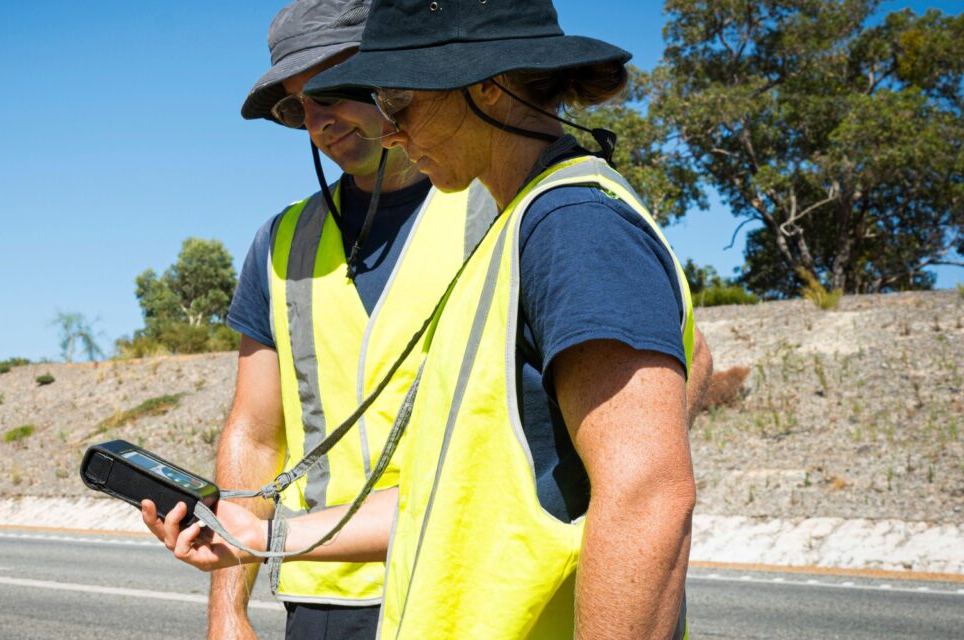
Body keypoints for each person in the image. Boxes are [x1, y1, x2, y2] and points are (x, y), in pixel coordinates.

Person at [155, 1, 716, 638]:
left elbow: (646, 495)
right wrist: (261, 535)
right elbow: (451, 491)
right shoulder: (513, 230)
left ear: (484, 85)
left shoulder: (569, 226)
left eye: (398, 98)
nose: (388, 129)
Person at [210, 1, 496, 638]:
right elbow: (255, 435)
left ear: (397, 69)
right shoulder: (281, 242)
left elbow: (674, 367)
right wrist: (228, 609)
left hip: (466, 584)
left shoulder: (501, 202)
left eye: (331, 89)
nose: (317, 122)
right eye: (297, 106)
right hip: (321, 595)